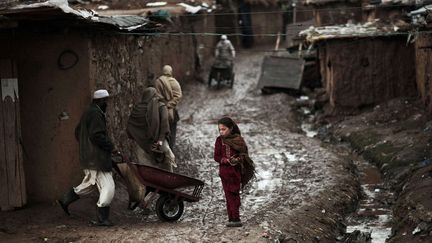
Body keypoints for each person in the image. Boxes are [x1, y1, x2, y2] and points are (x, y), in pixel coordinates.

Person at [57, 89, 115, 226]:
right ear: (100, 101)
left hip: (88, 157)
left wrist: (85, 146)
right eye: (105, 101)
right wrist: (110, 146)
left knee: (90, 184)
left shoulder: (88, 112)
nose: (106, 104)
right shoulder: (95, 114)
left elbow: (78, 132)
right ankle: (102, 218)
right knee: (108, 186)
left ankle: (65, 200)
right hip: (96, 159)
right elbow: (97, 135)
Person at [213, 117, 255, 227]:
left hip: (235, 172)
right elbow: (216, 156)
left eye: (224, 129)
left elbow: (244, 155)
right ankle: (231, 218)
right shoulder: (219, 140)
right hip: (224, 172)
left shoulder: (238, 140)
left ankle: (236, 218)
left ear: (231, 128)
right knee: (228, 195)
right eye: (220, 130)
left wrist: (237, 160)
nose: (221, 132)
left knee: (233, 194)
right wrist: (226, 160)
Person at [153, 65, 182, 148]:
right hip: (172, 112)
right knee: (172, 132)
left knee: (161, 131)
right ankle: (170, 148)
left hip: (160, 110)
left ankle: (162, 149)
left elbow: (157, 95)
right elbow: (178, 96)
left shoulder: (158, 81)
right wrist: (170, 104)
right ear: (171, 72)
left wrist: (164, 104)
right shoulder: (174, 82)